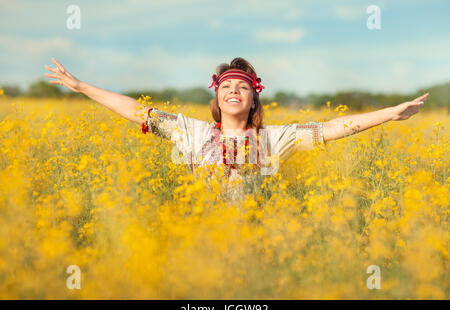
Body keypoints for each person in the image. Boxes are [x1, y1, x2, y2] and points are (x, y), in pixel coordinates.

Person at [45, 57, 429, 200]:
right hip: (200, 238)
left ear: (252, 99)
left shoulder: (272, 140)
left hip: (254, 238)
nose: (233, 90)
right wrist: (81, 87)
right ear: (217, 98)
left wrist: (390, 113)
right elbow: (135, 111)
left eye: (242, 86)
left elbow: (332, 128)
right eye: (226, 85)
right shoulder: (190, 133)